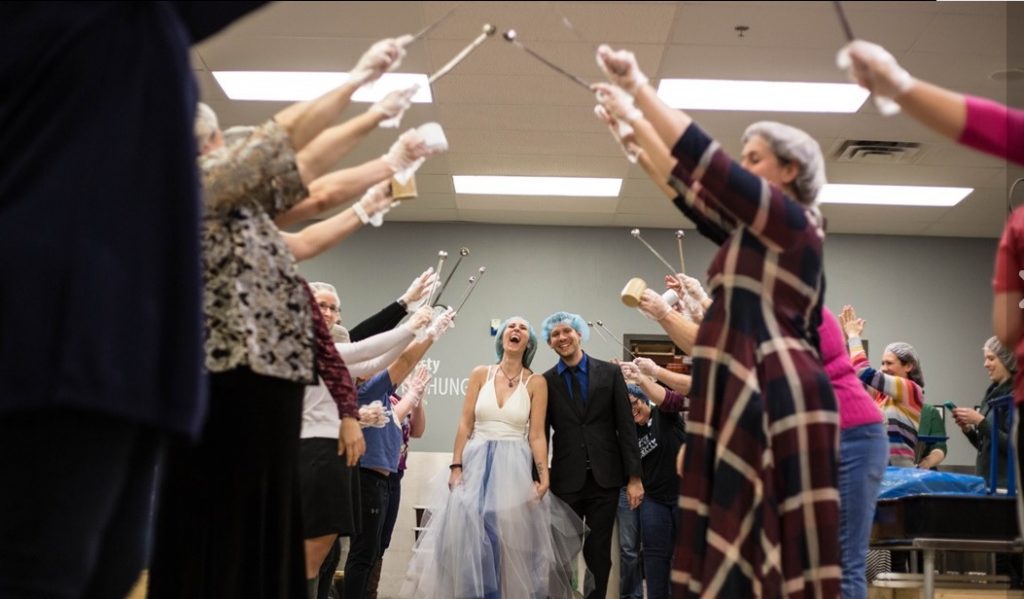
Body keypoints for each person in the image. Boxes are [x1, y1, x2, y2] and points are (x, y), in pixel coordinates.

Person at [0, 4, 264, 597]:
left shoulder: (144, 28)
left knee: (109, 567)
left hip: (126, 357)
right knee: (40, 567)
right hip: (55, 340)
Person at [594, 46, 840, 597]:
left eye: (755, 158)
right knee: (722, 566)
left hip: (778, 403)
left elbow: (714, 171)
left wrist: (638, 91)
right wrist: (635, 141)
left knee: (771, 565)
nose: (745, 165)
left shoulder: (795, 222)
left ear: (790, 171)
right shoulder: (756, 237)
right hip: (736, 399)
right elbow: (694, 196)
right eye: (746, 157)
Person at [401, 317, 586, 598]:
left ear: (529, 342)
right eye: (510, 326)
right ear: (501, 337)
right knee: (470, 538)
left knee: (507, 541)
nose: (516, 330)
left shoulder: (536, 382)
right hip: (476, 463)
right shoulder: (480, 374)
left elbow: (536, 435)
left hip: (514, 466)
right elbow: (465, 424)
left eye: (523, 328)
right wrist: (455, 466)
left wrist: (544, 477)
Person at [542, 311, 643, 599]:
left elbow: (626, 426)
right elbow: (540, 433)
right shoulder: (546, 381)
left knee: (599, 554)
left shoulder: (609, 374)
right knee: (560, 554)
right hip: (565, 480)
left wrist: (634, 477)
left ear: (578, 333)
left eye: (566, 332)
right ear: (549, 343)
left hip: (605, 480)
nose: (562, 338)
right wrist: (539, 478)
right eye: (555, 335)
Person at [838, 306, 925, 469]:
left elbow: (862, 371)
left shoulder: (911, 390)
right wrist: (845, 342)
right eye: (882, 363)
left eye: (889, 363)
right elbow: (849, 377)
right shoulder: (881, 395)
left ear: (908, 366)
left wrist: (854, 336)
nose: (884, 368)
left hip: (899, 474)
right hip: (878, 470)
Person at [624, 384, 685, 599]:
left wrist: (641, 378)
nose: (632, 413)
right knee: (655, 557)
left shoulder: (664, 415)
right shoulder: (628, 432)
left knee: (686, 555)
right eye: (626, 409)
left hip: (683, 496)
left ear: (643, 399)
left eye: (634, 405)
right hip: (654, 500)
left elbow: (668, 398)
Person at [954, 337, 1017, 487]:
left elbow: (1013, 445)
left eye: (991, 358)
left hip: (1006, 486)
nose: (985, 364)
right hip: (988, 483)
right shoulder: (992, 394)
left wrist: (980, 422)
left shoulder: (1015, 397)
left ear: (1007, 360)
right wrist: (969, 430)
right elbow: (988, 447)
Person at [916, 404, 947, 470]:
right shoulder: (889, 412)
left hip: (922, 473)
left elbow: (940, 447)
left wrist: (928, 462)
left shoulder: (929, 412)